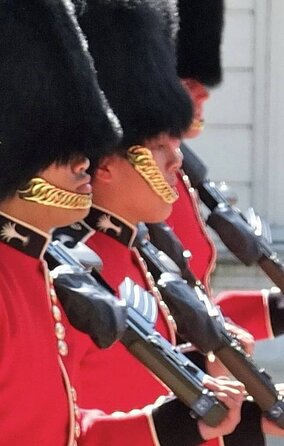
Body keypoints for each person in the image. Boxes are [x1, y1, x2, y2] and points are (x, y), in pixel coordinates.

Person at [0, 0, 244, 444]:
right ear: (7, 159)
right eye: (63, 147)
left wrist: (166, 425)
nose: (85, 163)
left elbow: (60, 432)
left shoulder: (36, 269)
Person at [56, 0, 279, 443]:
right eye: (158, 146)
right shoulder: (73, 266)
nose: (175, 157)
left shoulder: (140, 248)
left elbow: (184, 326)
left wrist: (243, 410)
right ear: (106, 164)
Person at [162, 0, 282, 342]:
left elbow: (199, 312)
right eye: (185, 79)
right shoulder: (129, 186)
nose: (203, 93)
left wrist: (278, 310)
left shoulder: (181, 176)